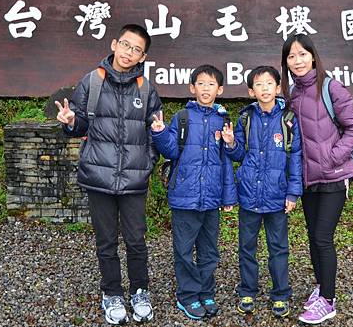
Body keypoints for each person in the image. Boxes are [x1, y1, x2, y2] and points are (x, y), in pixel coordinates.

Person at [55, 24, 161, 325]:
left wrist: (147, 162)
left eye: (137, 49)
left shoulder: (146, 89)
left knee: (137, 241)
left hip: (134, 181)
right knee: (106, 242)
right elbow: (78, 125)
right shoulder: (92, 82)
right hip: (98, 178)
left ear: (143, 57)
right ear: (115, 44)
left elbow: (156, 133)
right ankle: (112, 292)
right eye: (126, 45)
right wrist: (70, 122)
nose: (129, 53)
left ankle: (140, 290)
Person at [280, 34, 353, 325]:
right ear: (286, 62)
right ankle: (321, 287)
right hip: (307, 180)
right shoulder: (291, 95)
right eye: (291, 56)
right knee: (313, 238)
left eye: (302, 54)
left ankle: (328, 300)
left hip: (333, 177)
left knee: (322, 238)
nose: (298, 60)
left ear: (313, 56)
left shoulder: (331, 87)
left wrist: (332, 158)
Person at [150, 64, 237, 320]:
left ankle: (206, 291)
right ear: (192, 88)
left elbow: (225, 162)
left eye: (211, 84)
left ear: (219, 89)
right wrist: (160, 133)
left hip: (211, 198)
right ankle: (188, 295)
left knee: (209, 250)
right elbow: (172, 152)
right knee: (185, 250)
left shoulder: (223, 120)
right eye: (201, 83)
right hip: (185, 197)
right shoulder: (182, 117)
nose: (206, 88)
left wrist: (228, 196)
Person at [222, 66, 303, 318]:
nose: (265, 88)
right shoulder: (245, 118)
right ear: (251, 90)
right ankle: (248, 289)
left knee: (278, 247)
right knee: (247, 246)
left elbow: (296, 158)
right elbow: (237, 155)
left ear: (278, 88)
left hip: (278, 196)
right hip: (248, 195)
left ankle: (280, 293)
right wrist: (231, 143)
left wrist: (293, 193)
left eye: (269, 83)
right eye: (259, 84)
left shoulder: (289, 119)